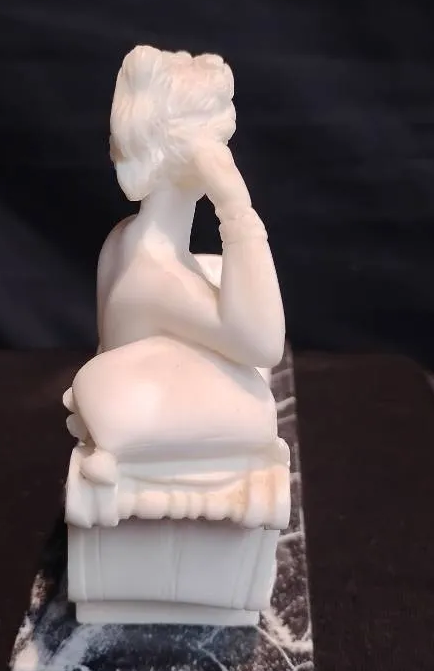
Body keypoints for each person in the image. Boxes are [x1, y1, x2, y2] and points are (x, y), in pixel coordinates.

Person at [66, 46, 287, 487]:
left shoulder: (125, 236)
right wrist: (235, 208)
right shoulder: (159, 278)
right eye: (223, 144)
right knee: (256, 399)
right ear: (202, 158)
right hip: (140, 396)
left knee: (219, 273)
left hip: (142, 369)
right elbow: (265, 345)